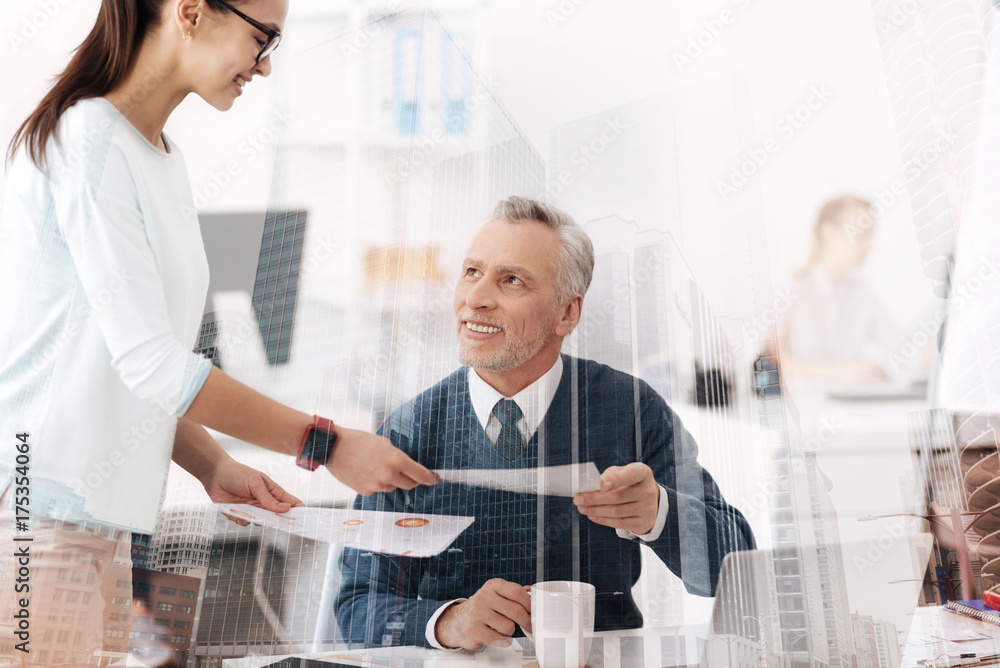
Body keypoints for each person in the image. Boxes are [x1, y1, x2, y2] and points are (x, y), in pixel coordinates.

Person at [0, 1, 437, 664]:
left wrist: (215, 467)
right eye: (263, 40)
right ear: (193, 12)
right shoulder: (87, 138)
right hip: (41, 508)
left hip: (102, 519)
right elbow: (153, 365)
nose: (263, 66)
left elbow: (124, 366)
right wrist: (326, 442)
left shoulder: (159, 157)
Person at [335, 197, 755, 650]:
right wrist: (447, 622)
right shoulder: (411, 429)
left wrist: (658, 514)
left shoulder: (629, 409)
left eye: (511, 280)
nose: (474, 299)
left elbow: (739, 571)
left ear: (567, 313)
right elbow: (358, 604)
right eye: (472, 272)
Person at [777, 195, 905, 383]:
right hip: (802, 405)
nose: (869, 245)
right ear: (829, 233)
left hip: (848, 408)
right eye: (862, 235)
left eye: (871, 236)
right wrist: (836, 372)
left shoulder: (861, 292)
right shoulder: (790, 290)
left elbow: (905, 348)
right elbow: (765, 366)